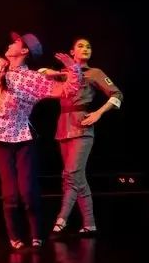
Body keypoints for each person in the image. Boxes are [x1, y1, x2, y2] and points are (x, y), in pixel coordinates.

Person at [0, 5, 82, 250]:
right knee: (10, 193)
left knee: (28, 191)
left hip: (21, 137)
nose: (9, 44)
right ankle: (15, 236)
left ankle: (37, 234)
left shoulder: (34, 78)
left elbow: (67, 90)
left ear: (24, 50)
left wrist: (73, 69)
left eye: (15, 42)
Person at [39, 38, 123, 237]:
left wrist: (98, 113)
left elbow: (117, 94)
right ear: (72, 51)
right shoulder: (65, 73)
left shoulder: (95, 73)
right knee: (76, 177)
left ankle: (61, 219)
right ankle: (90, 224)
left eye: (89, 46)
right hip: (63, 126)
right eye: (81, 46)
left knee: (71, 174)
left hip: (82, 126)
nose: (86, 48)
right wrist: (63, 71)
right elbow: (41, 73)